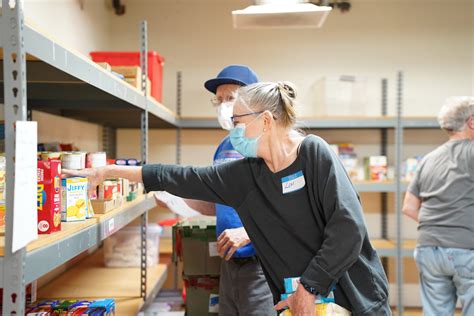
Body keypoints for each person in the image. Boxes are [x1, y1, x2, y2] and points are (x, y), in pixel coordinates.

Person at [66, 81, 391, 315]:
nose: (233, 130)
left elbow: (348, 228)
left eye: (238, 122)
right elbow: (182, 176)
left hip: (352, 295)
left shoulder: (313, 153)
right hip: (302, 304)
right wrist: (112, 171)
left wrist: (310, 287)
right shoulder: (246, 174)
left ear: (265, 121)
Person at [158, 65, 275, 315]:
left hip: (262, 263)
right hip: (229, 262)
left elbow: (286, 208)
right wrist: (178, 201)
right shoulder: (225, 146)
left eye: (230, 98)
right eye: (219, 100)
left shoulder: (266, 145)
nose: (224, 106)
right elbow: (220, 201)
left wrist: (249, 233)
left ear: (252, 100)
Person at [403, 96, 474, 316]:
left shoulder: (429, 159)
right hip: (465, 248)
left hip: (428, 249)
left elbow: (409, 206)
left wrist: (439, 224)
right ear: (471, 122)